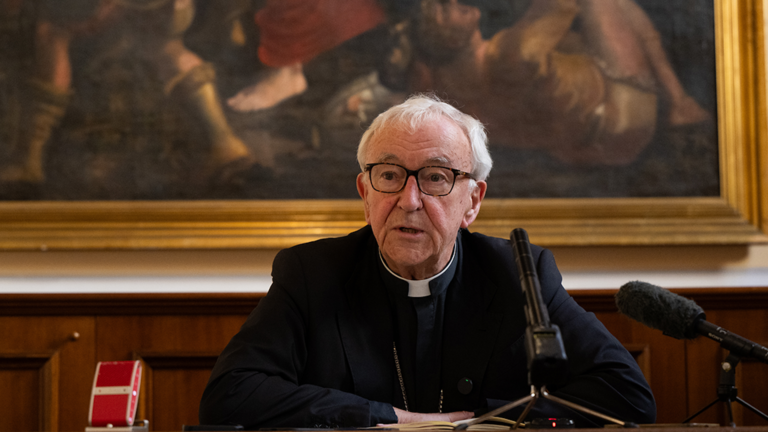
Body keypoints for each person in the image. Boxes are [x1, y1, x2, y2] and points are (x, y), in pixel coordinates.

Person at [199, 94, 656, 428]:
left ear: (473, 201)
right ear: (365, 192)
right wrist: (386, 418)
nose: (409, 200)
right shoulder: (312, 273)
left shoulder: (518, 274)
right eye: (390, 176)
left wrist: (483, 423)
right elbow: (230, 395)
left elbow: (627, 395)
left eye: (436, 177)